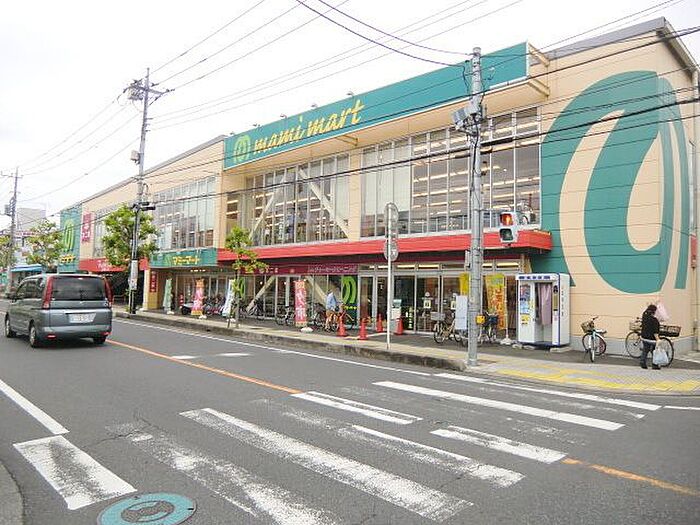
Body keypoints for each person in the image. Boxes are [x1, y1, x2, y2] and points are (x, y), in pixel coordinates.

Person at [640, 304, 661, 370]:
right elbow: (655, 332)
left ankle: (642, 362)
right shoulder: (654, 320)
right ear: (654, 312)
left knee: (645, 349)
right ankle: (655, 365)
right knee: (654, 351)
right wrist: (658, 339)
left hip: (644, 336)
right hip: (651, 338)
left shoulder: (644, 315)